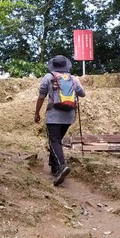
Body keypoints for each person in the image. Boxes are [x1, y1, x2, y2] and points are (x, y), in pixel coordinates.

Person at [34, 55, 86, 186]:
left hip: (53, 115)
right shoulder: (73, 79)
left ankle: (62, 166)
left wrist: (37, 113)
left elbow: (41, 96)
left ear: (53, 66)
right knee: (56, 140)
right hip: (69, 116)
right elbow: (82, 94)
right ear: (66, 66)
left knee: (54, 140)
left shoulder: (49, 77)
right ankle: (54, 166)